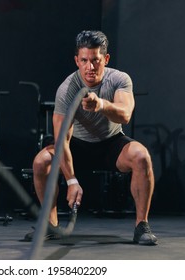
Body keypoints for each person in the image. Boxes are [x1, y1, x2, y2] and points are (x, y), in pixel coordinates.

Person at [25, 30, 157, 245]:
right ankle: (51, 225)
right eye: (84, 60)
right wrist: (71, 180)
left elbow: (125, 115)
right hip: (76, 147)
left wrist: (101, 105)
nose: (90, 67)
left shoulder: (119, 79)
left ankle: (141, 226)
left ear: (105, 59)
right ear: (77, 60)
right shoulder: (67, 89)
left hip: (110, 144)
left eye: (95, 60)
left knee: (141, 156)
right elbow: (61, 141)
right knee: (42, 161)